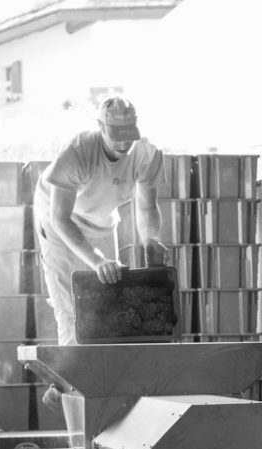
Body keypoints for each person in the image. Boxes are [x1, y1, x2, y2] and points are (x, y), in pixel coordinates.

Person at [34, 95, 169, 347]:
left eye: (129, 133)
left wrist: (151, 242)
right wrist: (96, 261)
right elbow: (59, 218)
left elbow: (147, 206)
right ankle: (72, 384)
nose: (123, 141)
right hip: (59, 223)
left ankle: (104, 384)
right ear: (100, 126)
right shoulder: (78, 151)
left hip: (102, 221)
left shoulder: (146, 153)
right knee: (73, 313)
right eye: (116, 133)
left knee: (110, 308)